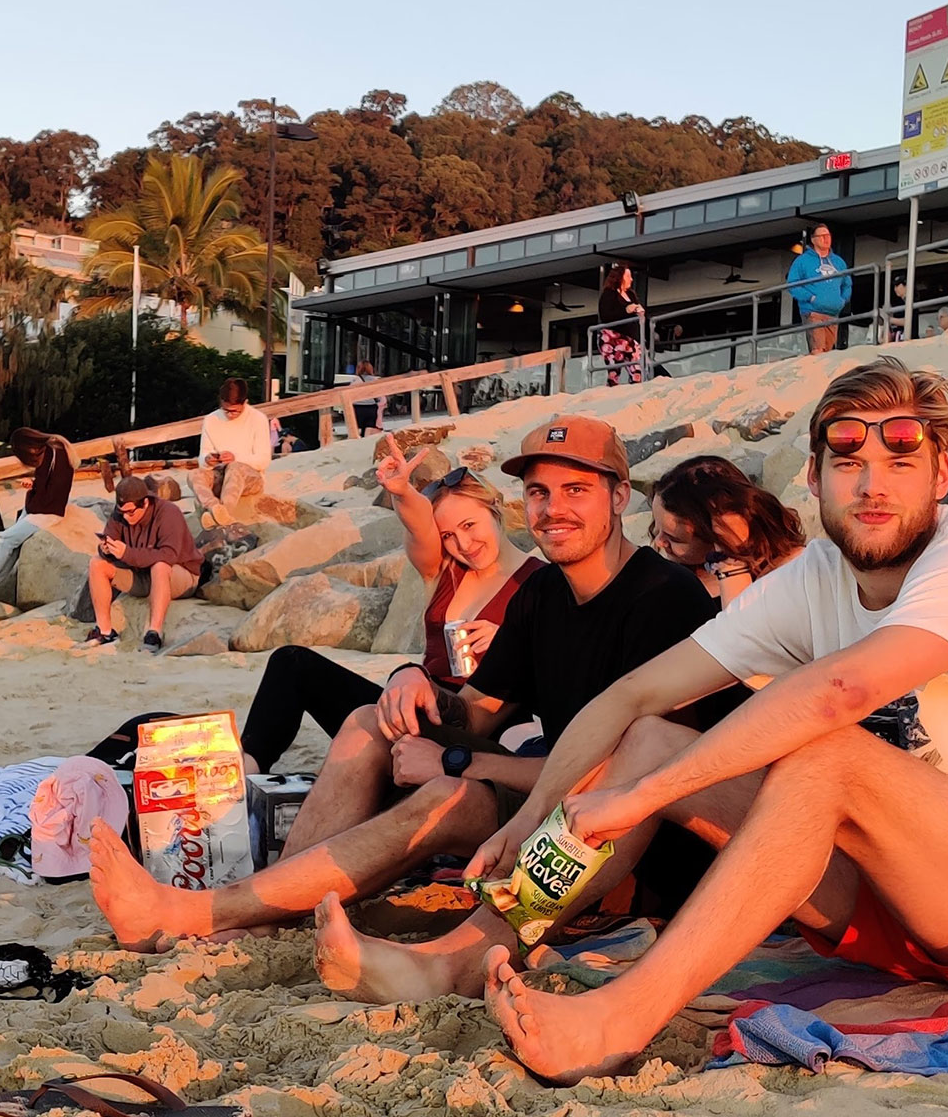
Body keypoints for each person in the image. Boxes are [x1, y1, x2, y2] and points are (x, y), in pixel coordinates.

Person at [461, 358, 948, 1084]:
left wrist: (643, 797)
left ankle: (621, 1018)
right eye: (848, 461)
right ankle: (470, 945)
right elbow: (632, 694)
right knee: (652, 736)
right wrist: (531, 814)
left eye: (900, 460)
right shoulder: (817, 575)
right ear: (814, 478)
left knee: (826, 753)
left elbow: (840, 691)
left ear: (941, 476)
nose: (873, 484)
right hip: (893, 910)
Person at [90, 415, 728, 952]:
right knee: (370, 719)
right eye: (539, 493)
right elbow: (479, 712)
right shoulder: (543, 595)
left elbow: (630, 771)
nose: (553, 509)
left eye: (576, 490)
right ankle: (274, 903)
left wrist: (455, 759)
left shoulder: (663, 598)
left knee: (448, 794)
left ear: (620, 497)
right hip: (549, 804)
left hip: (625, 840)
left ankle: (209, 911)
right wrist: (412, 685)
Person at [238, 443, 543, 774]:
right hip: (416, 710)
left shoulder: (542, 582)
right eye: (449, 536)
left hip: (485, 726)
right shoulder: (444, 570)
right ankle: (245, 775)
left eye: (469, 525)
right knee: (292, 664)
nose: (463, 545)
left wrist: (511, 644)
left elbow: (560, 671)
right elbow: (420, 530)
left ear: (495, 507)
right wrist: (402, 492)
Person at [649, 456, 806, 607]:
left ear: (716, 536)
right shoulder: (678, 576)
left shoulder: (788, 572)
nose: (659, 542)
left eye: (675, 538)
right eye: (656, 527)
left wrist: (730, 560)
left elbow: (740, 630)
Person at [84, 474, 202, 655]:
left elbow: (169, 555)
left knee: (160, 565)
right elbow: (110, 546)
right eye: (122, 512)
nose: (127, 517)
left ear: (145, 503)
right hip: (142, 576)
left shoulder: (168, 513)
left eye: (131, 512)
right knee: (97, 563)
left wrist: (126, 553)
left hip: (180, 575)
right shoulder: (121, 514)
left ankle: (153, 632)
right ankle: (105, 631)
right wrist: (106, 550)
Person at [0, 428, 76, 596]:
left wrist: (35, 491)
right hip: (42, 509)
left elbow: (54, 491)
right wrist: (34, 484)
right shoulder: (55, 450)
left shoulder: (53, 453)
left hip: (45, 513)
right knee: (13, 543)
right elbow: (51, 484)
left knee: (6, 539)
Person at [189, 377, 274, 528]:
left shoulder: (258, 419)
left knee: (235, 468)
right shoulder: (210, 420)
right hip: (220, 473)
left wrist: (236, 458)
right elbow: (203, 456)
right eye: (226, 410)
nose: (230, 414)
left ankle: (225, 513)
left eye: (235, 411)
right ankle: (215, 508)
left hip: (249, 476)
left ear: (245, 403)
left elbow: (263, 460)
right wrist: (208, 459)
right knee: (194, 475)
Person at [788, 224, 850, 355]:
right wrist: (811, 297)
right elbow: (792, 283)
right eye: (821, 236)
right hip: (813, 312)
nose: (826, 239)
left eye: (827, 235)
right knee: (818, 350)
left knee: (828, 352)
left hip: (833, 313)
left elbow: (847, 283)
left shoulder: (838, 262)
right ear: (813, 239)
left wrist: (843, 300)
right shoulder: (802, 261)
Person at [597, 263, 645, 386]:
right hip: (613, 337)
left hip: (631, 339)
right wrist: (625, 310)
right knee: (614, 372)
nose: (631, 279)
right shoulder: (609, 294)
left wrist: (639, 312)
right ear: (620, 277)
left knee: (637, 371)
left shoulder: (631, 295)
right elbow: (606, 316)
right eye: (628, 276)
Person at [351, 361, 382, 435]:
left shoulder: (355, 381)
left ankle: (357, 443)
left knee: (357, 429)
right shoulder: (375, 380)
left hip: (358, 408)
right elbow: (379, 398)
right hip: (371, 408)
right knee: (369, 430)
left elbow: (350, 396)